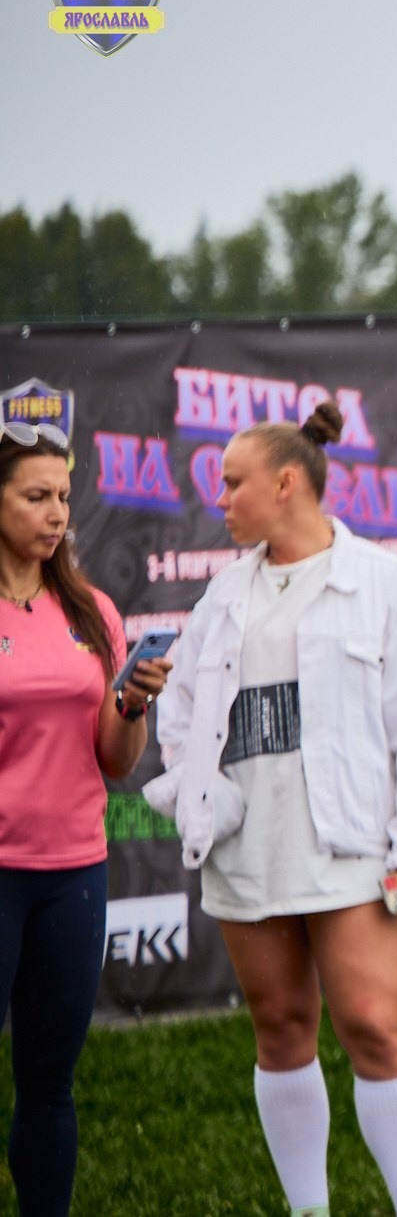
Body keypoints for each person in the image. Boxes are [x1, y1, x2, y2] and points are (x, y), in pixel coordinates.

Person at [149, 402, 397, 1217]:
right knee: (281, 1025)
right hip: (250, 848)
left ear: (286, 483)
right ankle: (308, 1208)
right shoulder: (221, 595)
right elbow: (181, 710)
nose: (218, 498)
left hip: (351, 843)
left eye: (232, 482)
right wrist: (197, 796)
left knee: (371, 1025)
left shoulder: (387, 584)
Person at [0, 423, 171, 1217]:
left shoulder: (91, 608)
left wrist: (132, 699)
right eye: (36, 496)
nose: (56, 513)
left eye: (64, 496)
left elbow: (117, 758)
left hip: (74, 870)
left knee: (49, 1083)